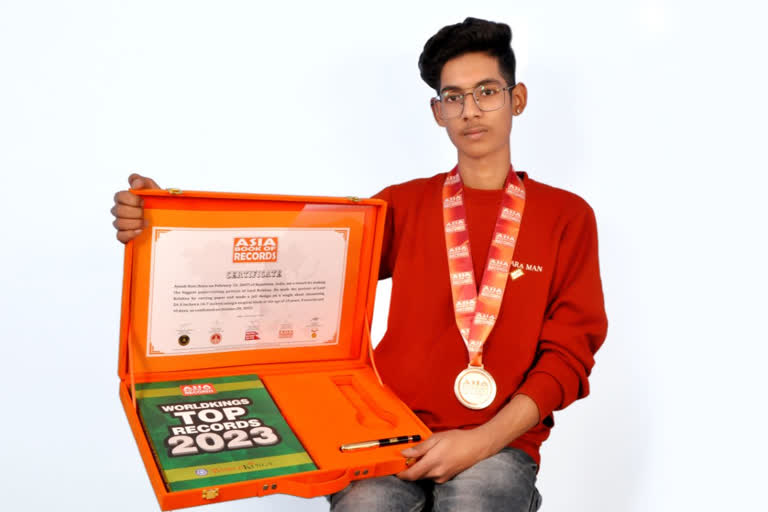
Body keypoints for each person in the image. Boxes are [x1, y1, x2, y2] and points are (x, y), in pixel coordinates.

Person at [111, 17, 607, 512]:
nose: (470, 111)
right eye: (453, 97)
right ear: (438, 111)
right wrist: (168, 225)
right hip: (385, 431)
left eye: (486, 92)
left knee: (479, 503)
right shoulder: (402, 205)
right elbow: (290, 268)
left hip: (499, 442)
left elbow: (567, 356)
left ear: (517, 98)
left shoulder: (566, 216)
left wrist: (481, 441)